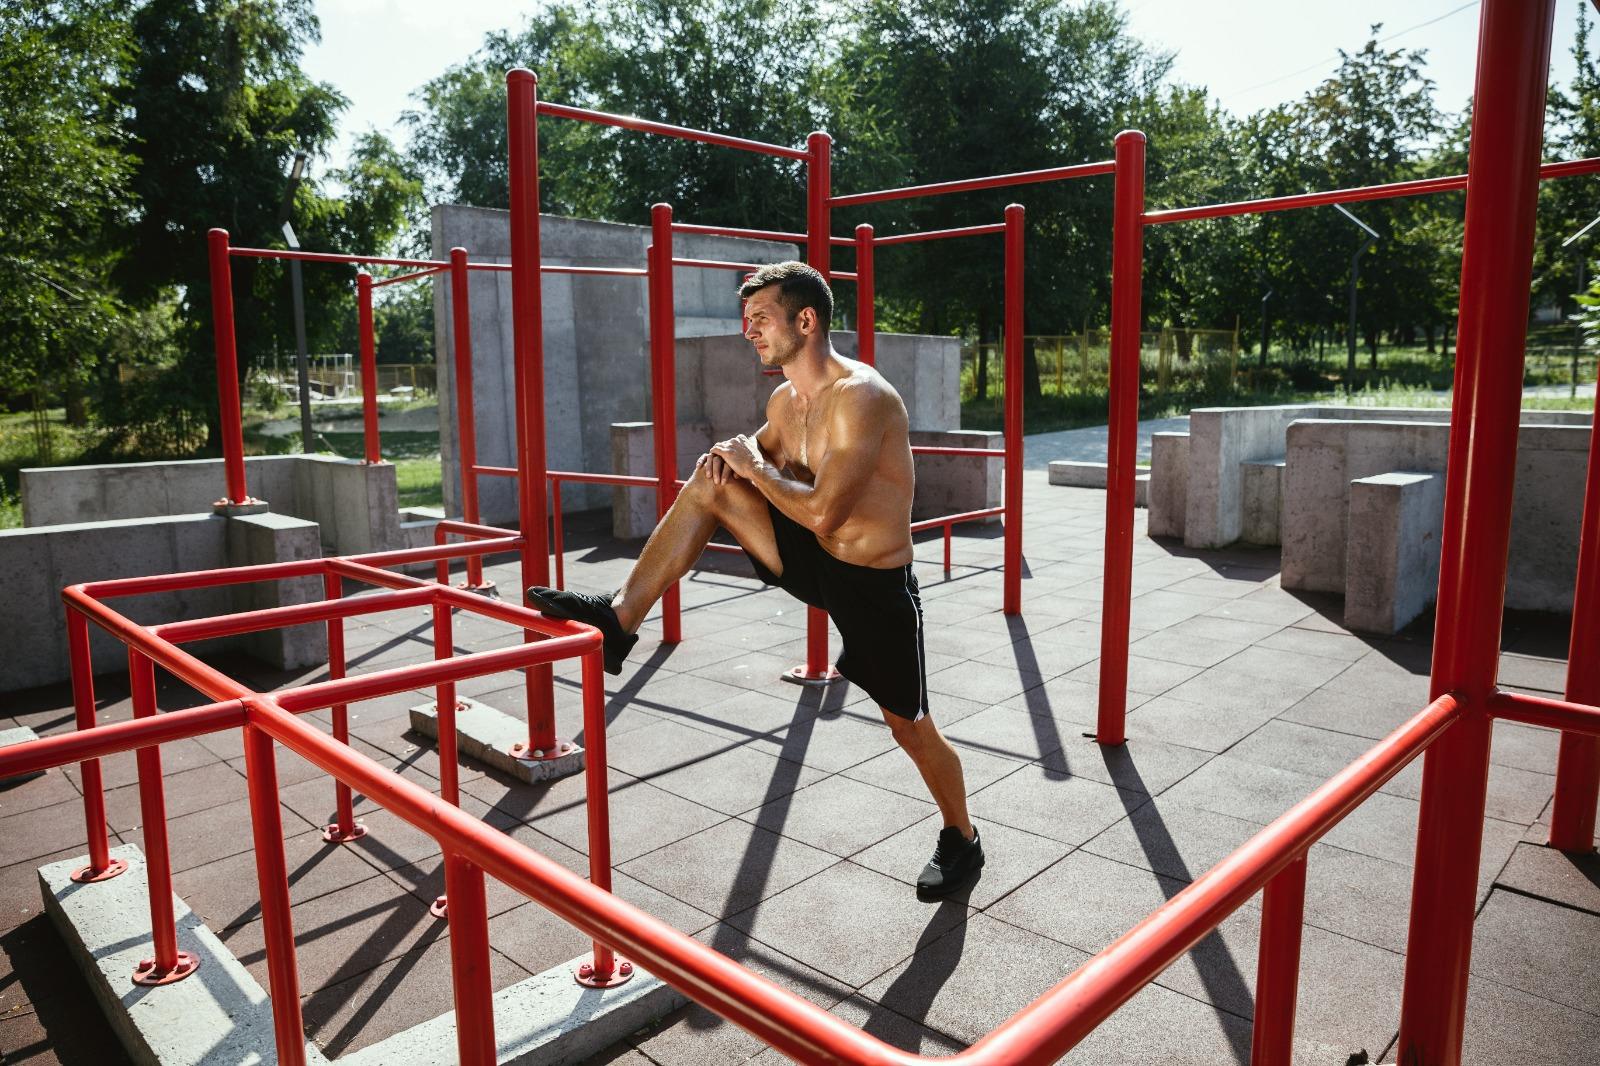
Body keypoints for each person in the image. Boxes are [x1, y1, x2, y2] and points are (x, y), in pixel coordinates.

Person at [526, 261, 984, 898]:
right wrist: (726, 462)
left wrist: (752, 469)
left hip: (871, 582)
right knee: (709, 486)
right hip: (810, 558)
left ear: (806, 320)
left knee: (909, 724)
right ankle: (620, 616)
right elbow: (756, 455)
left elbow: (826, 511)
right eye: (748, 321)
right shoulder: (784, 399)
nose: (750, 331)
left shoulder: (863, 398)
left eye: (761, 318)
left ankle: (962, 838)